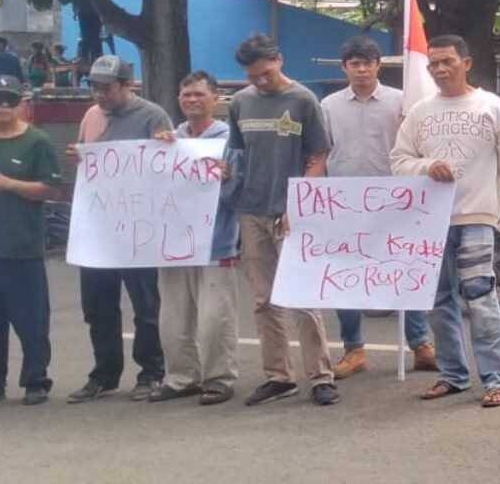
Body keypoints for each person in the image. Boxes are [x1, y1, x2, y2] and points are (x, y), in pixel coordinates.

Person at [391, 34, 500, 408]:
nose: (439, 69)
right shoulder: (420, 112)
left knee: (480, 295)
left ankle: (499, 378)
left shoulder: (491, 107)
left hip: (477, 217)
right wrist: (425, 166)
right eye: (433, 63)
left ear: (466, 62)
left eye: (447, 61)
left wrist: (490, 199)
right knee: (437, 299)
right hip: (431, 221)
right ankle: (453, 375)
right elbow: (399, 160)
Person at [228, 33, 338, 407]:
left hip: (292, 211)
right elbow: (237, 155)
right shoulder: (240, 103)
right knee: (263, 298)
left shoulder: (304, 100)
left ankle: (321, 376)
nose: (259, 81)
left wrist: (299, 205)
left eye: (265, 73)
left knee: (303, 297)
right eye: (252, 76)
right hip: (251, 209)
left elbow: (319, 156)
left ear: (279, 59)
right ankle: (278, 375)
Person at [320, 35, 437, 379]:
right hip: (344, 203)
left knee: (406, 269)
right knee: (346, 276)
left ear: (377, 65)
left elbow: (418, 145)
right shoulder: (327, 106)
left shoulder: (403, 102)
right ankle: (354, 349)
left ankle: (420, 345)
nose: (361, 70)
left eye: (367, 63)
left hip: (395, 200)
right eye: (354, 64)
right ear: (345, 68)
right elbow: (320, 152)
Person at [66, 55, 170, 403]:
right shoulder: (92, 116)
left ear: (128, 85)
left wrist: (166, 147)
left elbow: (165, 165)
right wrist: (79, 157)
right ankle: (105, 373)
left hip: (138, 227)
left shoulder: (152, 115)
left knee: (145, 305)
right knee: (97, 305)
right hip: (98, 227)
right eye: (94, 87)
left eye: (107, 88)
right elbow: (90, 164)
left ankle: (151, 371)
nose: (99, 95)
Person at [149, 71, 243, 405]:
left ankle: (218, 377)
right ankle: (180, 376)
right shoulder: (168, 140)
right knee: (173, 319)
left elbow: (240, 194)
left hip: (216, 242)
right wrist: (154, 155)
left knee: (213, 319)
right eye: (186, 94)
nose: (191, 100)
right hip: (174, 242)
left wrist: (227, 178)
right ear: (178, 99)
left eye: (199, 95)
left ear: (215, 99)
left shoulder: (230, 140)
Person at [0, 76, 61, 407]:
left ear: (21, 103)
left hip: (21, 246)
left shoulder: (37, 141)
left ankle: (36, 380)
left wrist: (8, 184)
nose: (4, 106)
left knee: (30, 320)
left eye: (10, 100)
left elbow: (51, 189)